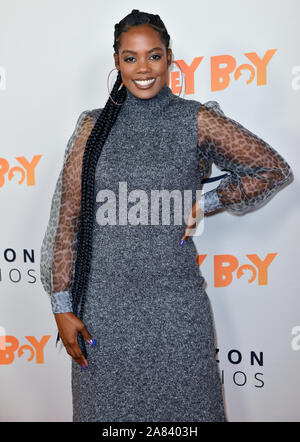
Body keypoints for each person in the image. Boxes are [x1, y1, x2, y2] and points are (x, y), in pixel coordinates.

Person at [40, 9, 293, 422]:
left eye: (153, 56)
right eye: (130, 58)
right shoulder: (92, 127)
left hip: (176, 314)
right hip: (102, 317)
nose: (143, 69)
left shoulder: (193, 119)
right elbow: (67, 220)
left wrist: (207, 203)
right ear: (117, 62)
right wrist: (61, 306)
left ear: (169, 58)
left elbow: (273, 169)